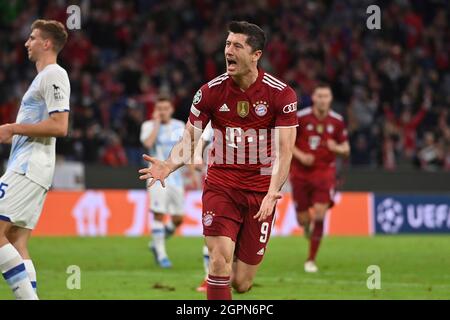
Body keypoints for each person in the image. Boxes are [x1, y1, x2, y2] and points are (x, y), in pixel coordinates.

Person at [139, 21, 298, 300]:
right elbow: (189, 140)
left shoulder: (281, 94)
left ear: (256, 55)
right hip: (221, 185)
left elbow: (286, 151)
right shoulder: (209, 92)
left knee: (242, 283)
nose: (229, 51)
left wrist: (273, 192)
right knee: (218, 261)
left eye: (237, 45)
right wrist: (167, 164)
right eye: (227, 44)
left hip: (260, 191)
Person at [0, 19, 70, 299]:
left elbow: (59, 126)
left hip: (28, 167)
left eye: (32, 38)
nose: (26, 43)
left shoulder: (54, 74)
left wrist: (12, 128)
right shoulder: (43, 78)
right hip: (32, 168)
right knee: (16, 240)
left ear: (46, 43)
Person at [289, 84, 350, 273]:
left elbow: (346, 149)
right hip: (300, 173)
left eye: (326, 96)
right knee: (303, 219)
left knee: (321, 214)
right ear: (314, 98)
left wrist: (336, 148)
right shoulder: (300, 117)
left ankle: (311, 260)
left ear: (330, 99)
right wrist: (301, 156)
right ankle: (307, 226)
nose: (323, 99)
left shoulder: (337, 121)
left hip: (324, 172)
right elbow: (286, 143)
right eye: (320, 96)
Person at [140, 96, 185, 268]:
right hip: (156, 176)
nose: (163, 111)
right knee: (159, 214)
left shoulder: (179, 126)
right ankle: (161, 254)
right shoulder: (148, 126)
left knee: (179, 218)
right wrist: (157, 124)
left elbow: (185, 150)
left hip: (176, 177)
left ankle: (156, 242)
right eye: (159, 108)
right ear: (155, 110)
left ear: (171, 109)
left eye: (166, 108)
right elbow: (148, 143)